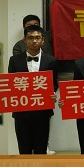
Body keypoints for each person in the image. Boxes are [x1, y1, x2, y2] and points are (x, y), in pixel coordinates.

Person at [8, 25, 57, 154]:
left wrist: (52, 94)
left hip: (43, 111)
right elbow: (11, 85)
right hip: (21, 112)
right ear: (24, 40)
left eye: (37, 38)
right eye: (30, 38)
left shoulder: (51, 61)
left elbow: (54, 84)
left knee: (41, 149)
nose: (34, 41)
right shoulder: (14, 60)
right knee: (24, 150)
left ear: (43, 40)